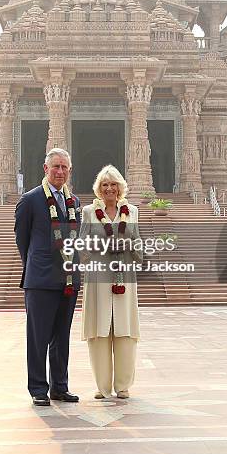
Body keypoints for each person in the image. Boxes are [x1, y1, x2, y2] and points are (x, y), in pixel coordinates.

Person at [14, 148, 81, 406]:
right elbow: (23, 240)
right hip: (41, 280)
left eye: (64, 167)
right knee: (38, 337)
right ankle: (38, 388)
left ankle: (60, 386)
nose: (60, 172)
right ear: (46, 169)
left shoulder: (74, 201)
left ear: (69, 170)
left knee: (61, 336)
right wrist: (35, 265)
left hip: (67, 279)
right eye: (56, 167)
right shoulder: (30, 200)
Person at [79, 165, 142, 399]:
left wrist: (130, 246)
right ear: (99, 189)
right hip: (99, 276)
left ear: (120, 187)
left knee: (125, 331)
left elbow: (138, 244)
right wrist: (101, 246)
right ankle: (102, 387)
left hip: (124, 276)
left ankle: (123, 386)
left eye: (113, 184)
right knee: (99, 331)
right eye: (105, 185)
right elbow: (81, 247)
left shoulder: (132, 211)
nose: (109, 189)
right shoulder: (88, 212)